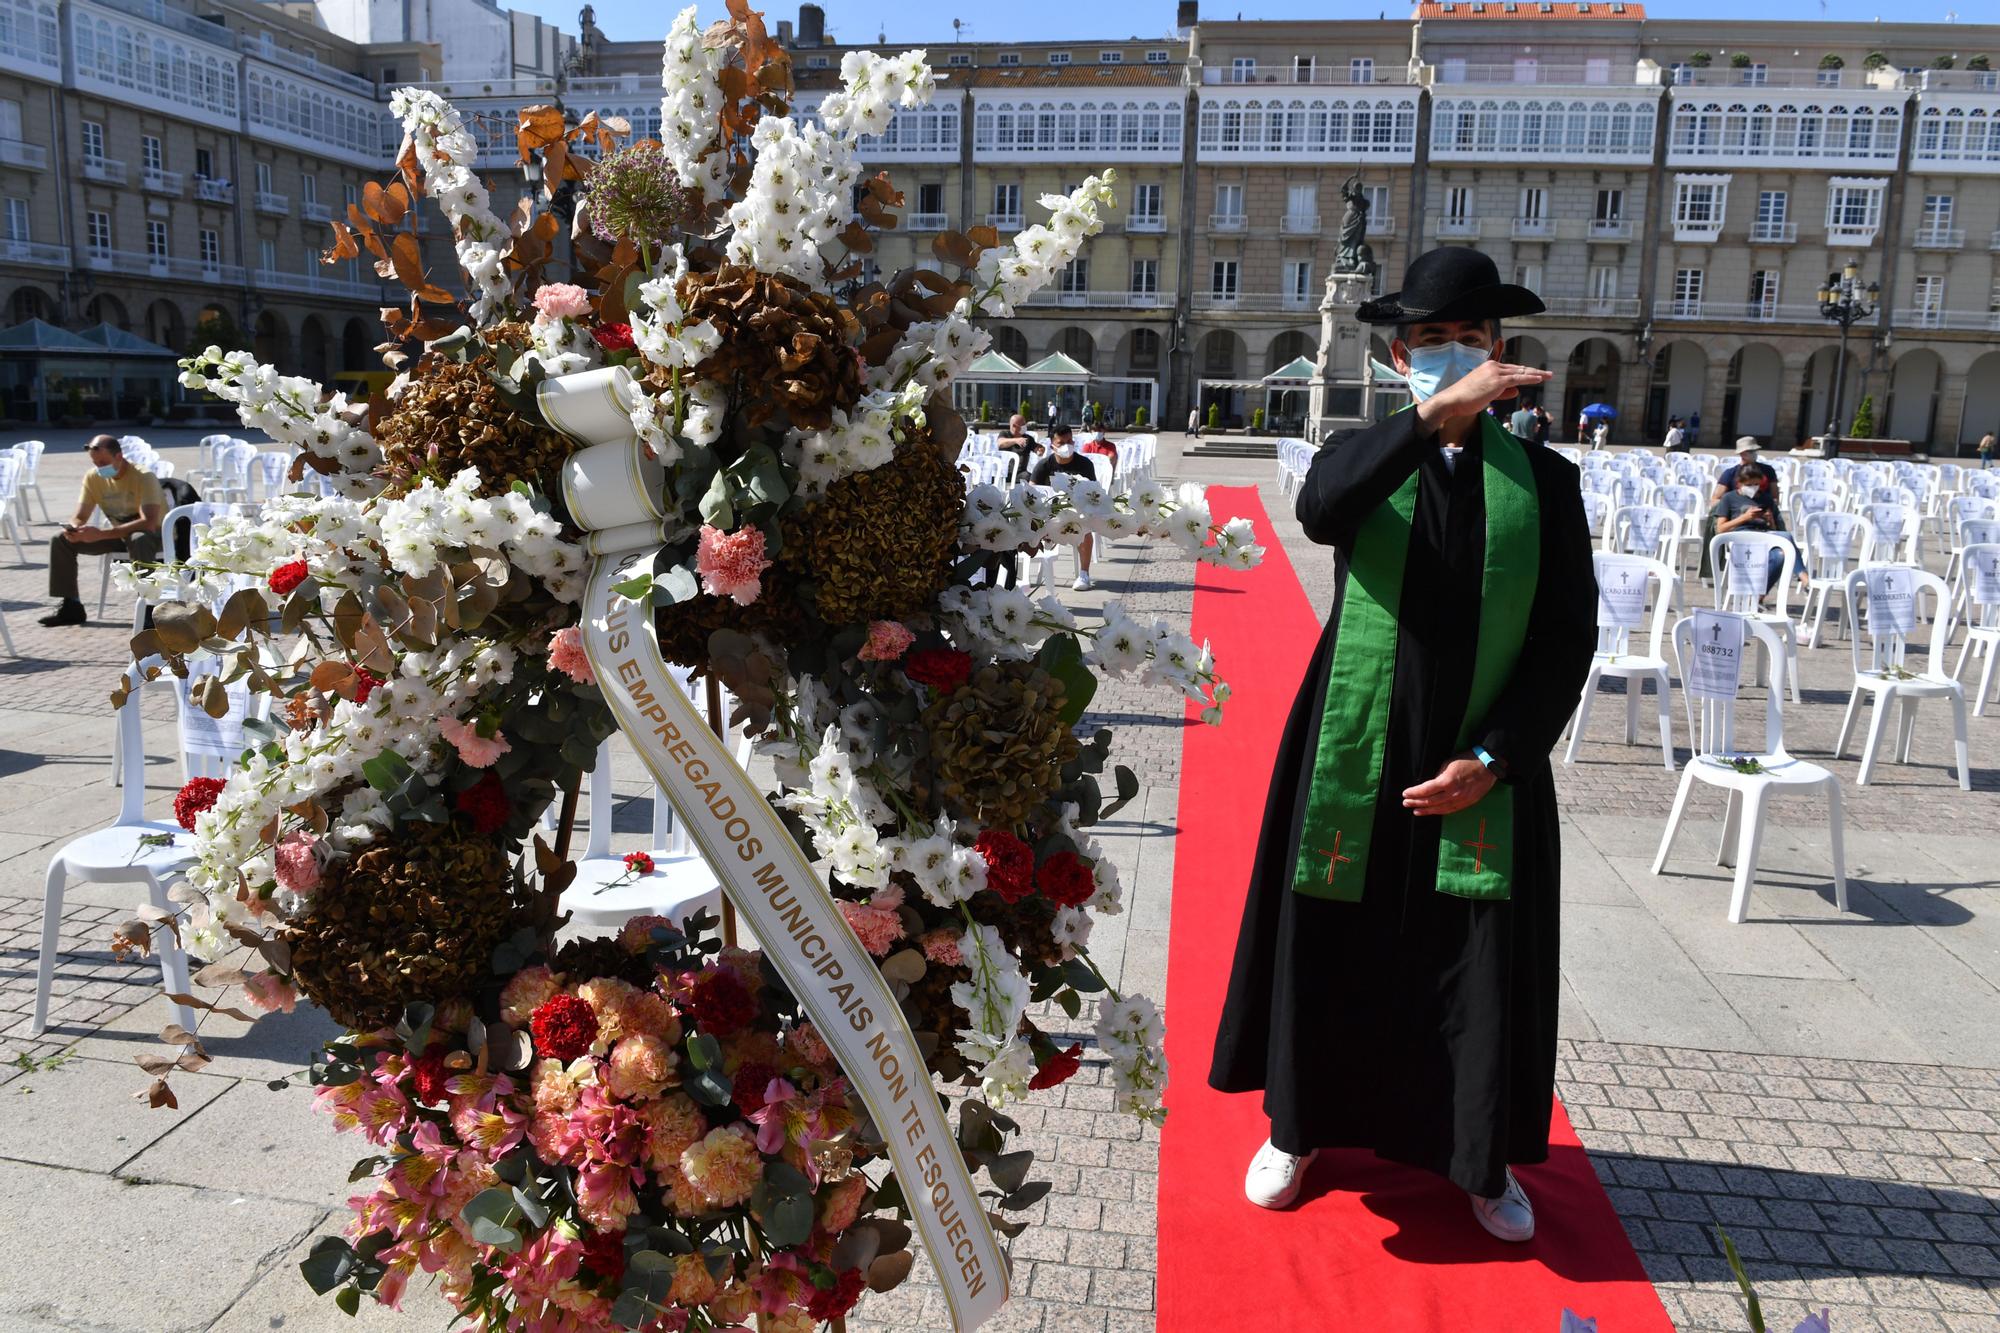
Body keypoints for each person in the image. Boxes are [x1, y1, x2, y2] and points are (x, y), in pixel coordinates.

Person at [1210, 246, 1598, 1242]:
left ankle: (1476, 1160)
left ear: (1501, 351)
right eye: (1430, 342)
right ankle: (1296, 1128)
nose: (1451, 355)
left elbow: (1564, 636)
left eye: (1468, 339)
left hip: (1479, 762)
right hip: (1354, 744)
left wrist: (1500, 755)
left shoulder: (1543, 483)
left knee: (1467, 960)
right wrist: (1431, 418)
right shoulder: (1365, 457)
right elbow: (1317, 510)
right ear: (1395, 359)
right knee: (1332, 943)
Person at [41, 435, 165, 627]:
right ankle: (71, 606)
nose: (99, 467)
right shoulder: (93, 477)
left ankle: (150, 610)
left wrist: (101, 534)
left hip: (153, 534)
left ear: (119, 456)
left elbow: (148, 522)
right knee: (61, 540)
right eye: (95, 463)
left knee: (139, 539)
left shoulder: (143, 476)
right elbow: (80, 515)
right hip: (119, 533)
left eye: (104, 462)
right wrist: (74, 527)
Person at [1030, 424, 1101, 590]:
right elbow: (1032, 493)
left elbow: (1093, 491)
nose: (1066, 446)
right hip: (1049, 512)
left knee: (1085, 530)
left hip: (1077, 511)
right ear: (1052, 445)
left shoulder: (1085, 465)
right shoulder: (1043, 466)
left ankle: (1084, 574)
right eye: (1061, 443)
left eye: (1069, 441)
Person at [1709, 461, 1793, 597]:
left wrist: (1769, 519)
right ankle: (1804, 577)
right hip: (1741, 536)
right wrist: (1745, 517)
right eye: (1748, 485)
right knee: (1786, 539)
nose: (1753, 488)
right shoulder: (1729, 498)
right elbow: (1721, 529)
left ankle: (1759, 596)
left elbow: (1774, 529)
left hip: (1763, 535)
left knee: (1781, 554)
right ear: (1739, 483)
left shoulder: (1765, 498)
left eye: (1756, 484)